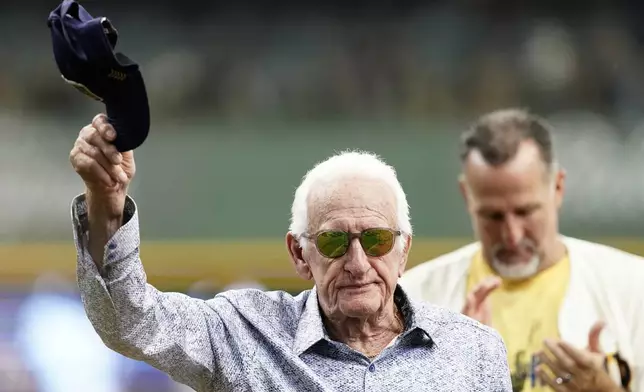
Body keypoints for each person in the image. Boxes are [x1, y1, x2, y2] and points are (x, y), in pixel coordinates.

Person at [67, 114, 512, 392]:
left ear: (403, 250)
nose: (357, 264)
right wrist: (106, 203)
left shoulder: (474, 352)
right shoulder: (245, 336)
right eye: (334, 243)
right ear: (299, 254)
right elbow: (130, 321)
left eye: (376, 241)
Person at [400, 108, 644, 392]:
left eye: (525, 211)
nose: (512, 235)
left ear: (558, 187)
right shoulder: (414, 300)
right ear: (467, 196)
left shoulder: (634, 289)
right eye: (493, 216)